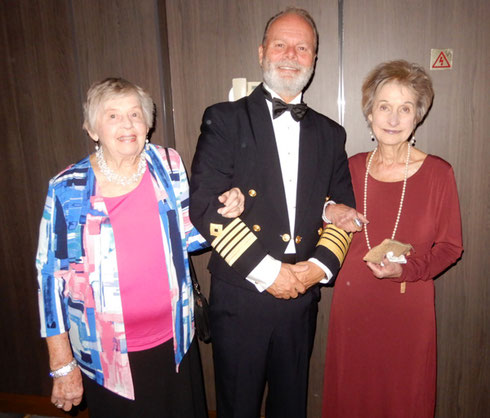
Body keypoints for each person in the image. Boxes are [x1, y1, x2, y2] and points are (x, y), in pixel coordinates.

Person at [36, 77, 244, 417]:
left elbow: (190, 236)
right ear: (92, 128)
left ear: (148, 123)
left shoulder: (168, 163)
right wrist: (62, 363)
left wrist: (223, 209)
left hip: (175, 340)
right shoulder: (67, 188)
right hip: (107, 356)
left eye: (135, 114)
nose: (127, 124)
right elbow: (50, 279)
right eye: (113, 116)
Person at [190, 8, 360, 418]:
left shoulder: (331, 133)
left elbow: (342, 215)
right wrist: (271, 274)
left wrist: (312, 271)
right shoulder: (224, 119)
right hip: (242, 294)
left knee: (291, 406)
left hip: (301, 297)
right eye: (280, 44)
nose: (290, 54)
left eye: (303, 47)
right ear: (262, 52)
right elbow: (204, 206)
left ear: (314, 60)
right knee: (239, 407)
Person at [322, 60, 464, 417]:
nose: (393, 119)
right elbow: (322, 224)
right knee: (352, 396)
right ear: (370, 114)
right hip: (353, 304)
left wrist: (407, 270)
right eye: (384, 107)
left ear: (417, 117)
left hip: (407, 308)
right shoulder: (349, 168)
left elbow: (450, 247)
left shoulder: (438, 174)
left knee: (403, 398)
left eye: (405, 109)